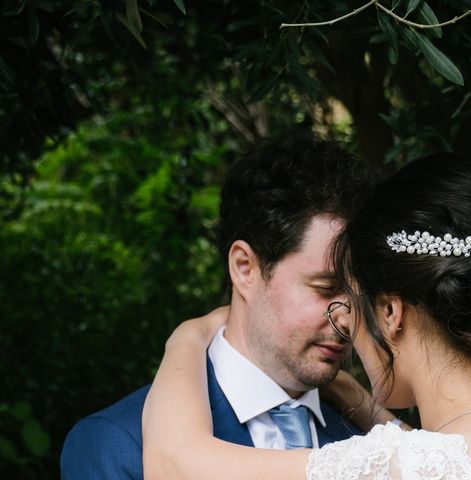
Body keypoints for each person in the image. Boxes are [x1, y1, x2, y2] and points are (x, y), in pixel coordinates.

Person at [141, 154, 471, 480]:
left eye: (352, 306)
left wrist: (188, 335)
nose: (345, 332)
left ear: (389, 311)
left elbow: (173, 464)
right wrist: (351, 392)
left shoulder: (401, 466)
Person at [60, 135, 375, 479]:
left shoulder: (369, 442)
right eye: (326, 288)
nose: (347, 317)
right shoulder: (117, 442)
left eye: (359, 294)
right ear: (245, 268)